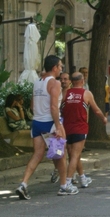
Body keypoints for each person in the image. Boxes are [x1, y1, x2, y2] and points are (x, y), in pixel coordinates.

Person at [15, 55, 78, 200]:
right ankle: (64, 186)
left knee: (37, 155)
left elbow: (32, 105)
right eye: (60, 66)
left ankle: (23, 184)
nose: (61, 69)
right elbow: (53, 107)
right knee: (60, 154)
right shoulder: (54, 83)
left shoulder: (37, 82)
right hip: (50, 122)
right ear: (54, 67)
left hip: (37, 123)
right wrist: (58, 126)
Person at [61, 72, 107, 189]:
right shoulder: (86, 94)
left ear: (71, 81)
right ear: (82, 81)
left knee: (74, 155)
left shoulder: (65, 93)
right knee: (75, 156)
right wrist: (103, 118)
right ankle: (68, 182)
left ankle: (82, 178)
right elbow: (96, 110)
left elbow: (60, 109)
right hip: (80, 128)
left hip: (66, 128)